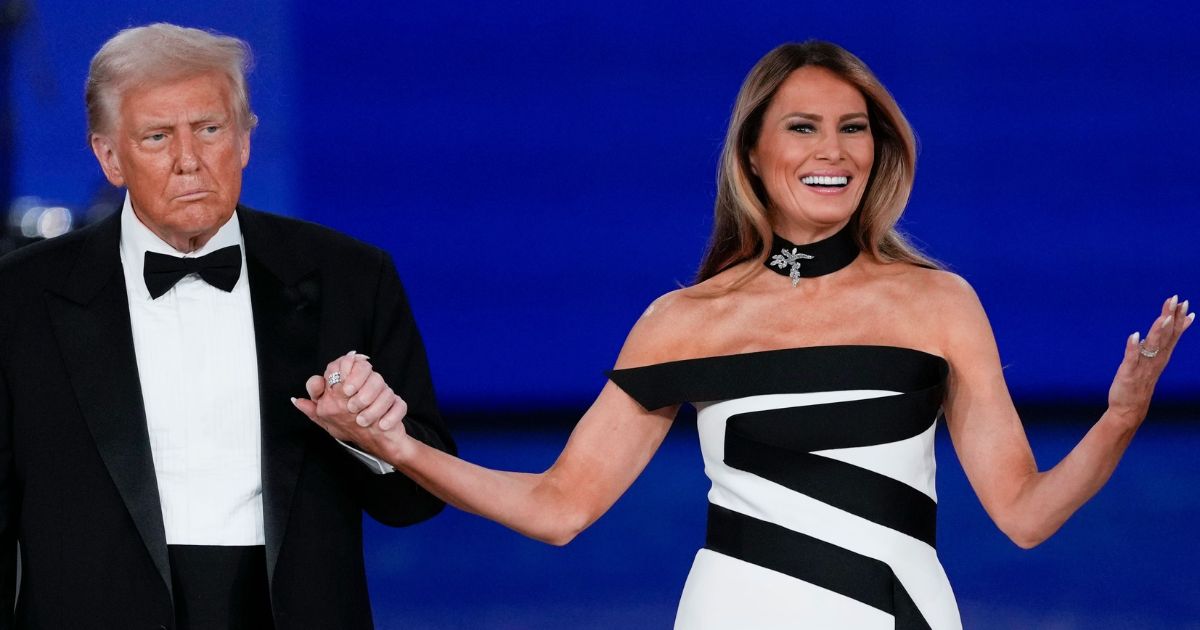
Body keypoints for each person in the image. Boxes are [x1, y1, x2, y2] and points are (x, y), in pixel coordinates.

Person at [295, 41, 1192, 629]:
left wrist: (1118, 416)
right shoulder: (684, 322)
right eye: (802, 127)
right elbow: (557, 509)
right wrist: (393, 446)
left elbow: (1025, 518)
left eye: (853, 128)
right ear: (753, 153)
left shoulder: (940, 303)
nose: (832, 150)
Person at [0, 23, 454, 629]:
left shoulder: (350, 278)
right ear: (109, 156)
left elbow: (420, 497)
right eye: (157, 136)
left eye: (209, 129)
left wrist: (370, 439)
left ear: (244, 140)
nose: (189, 161)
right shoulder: (20, 298)